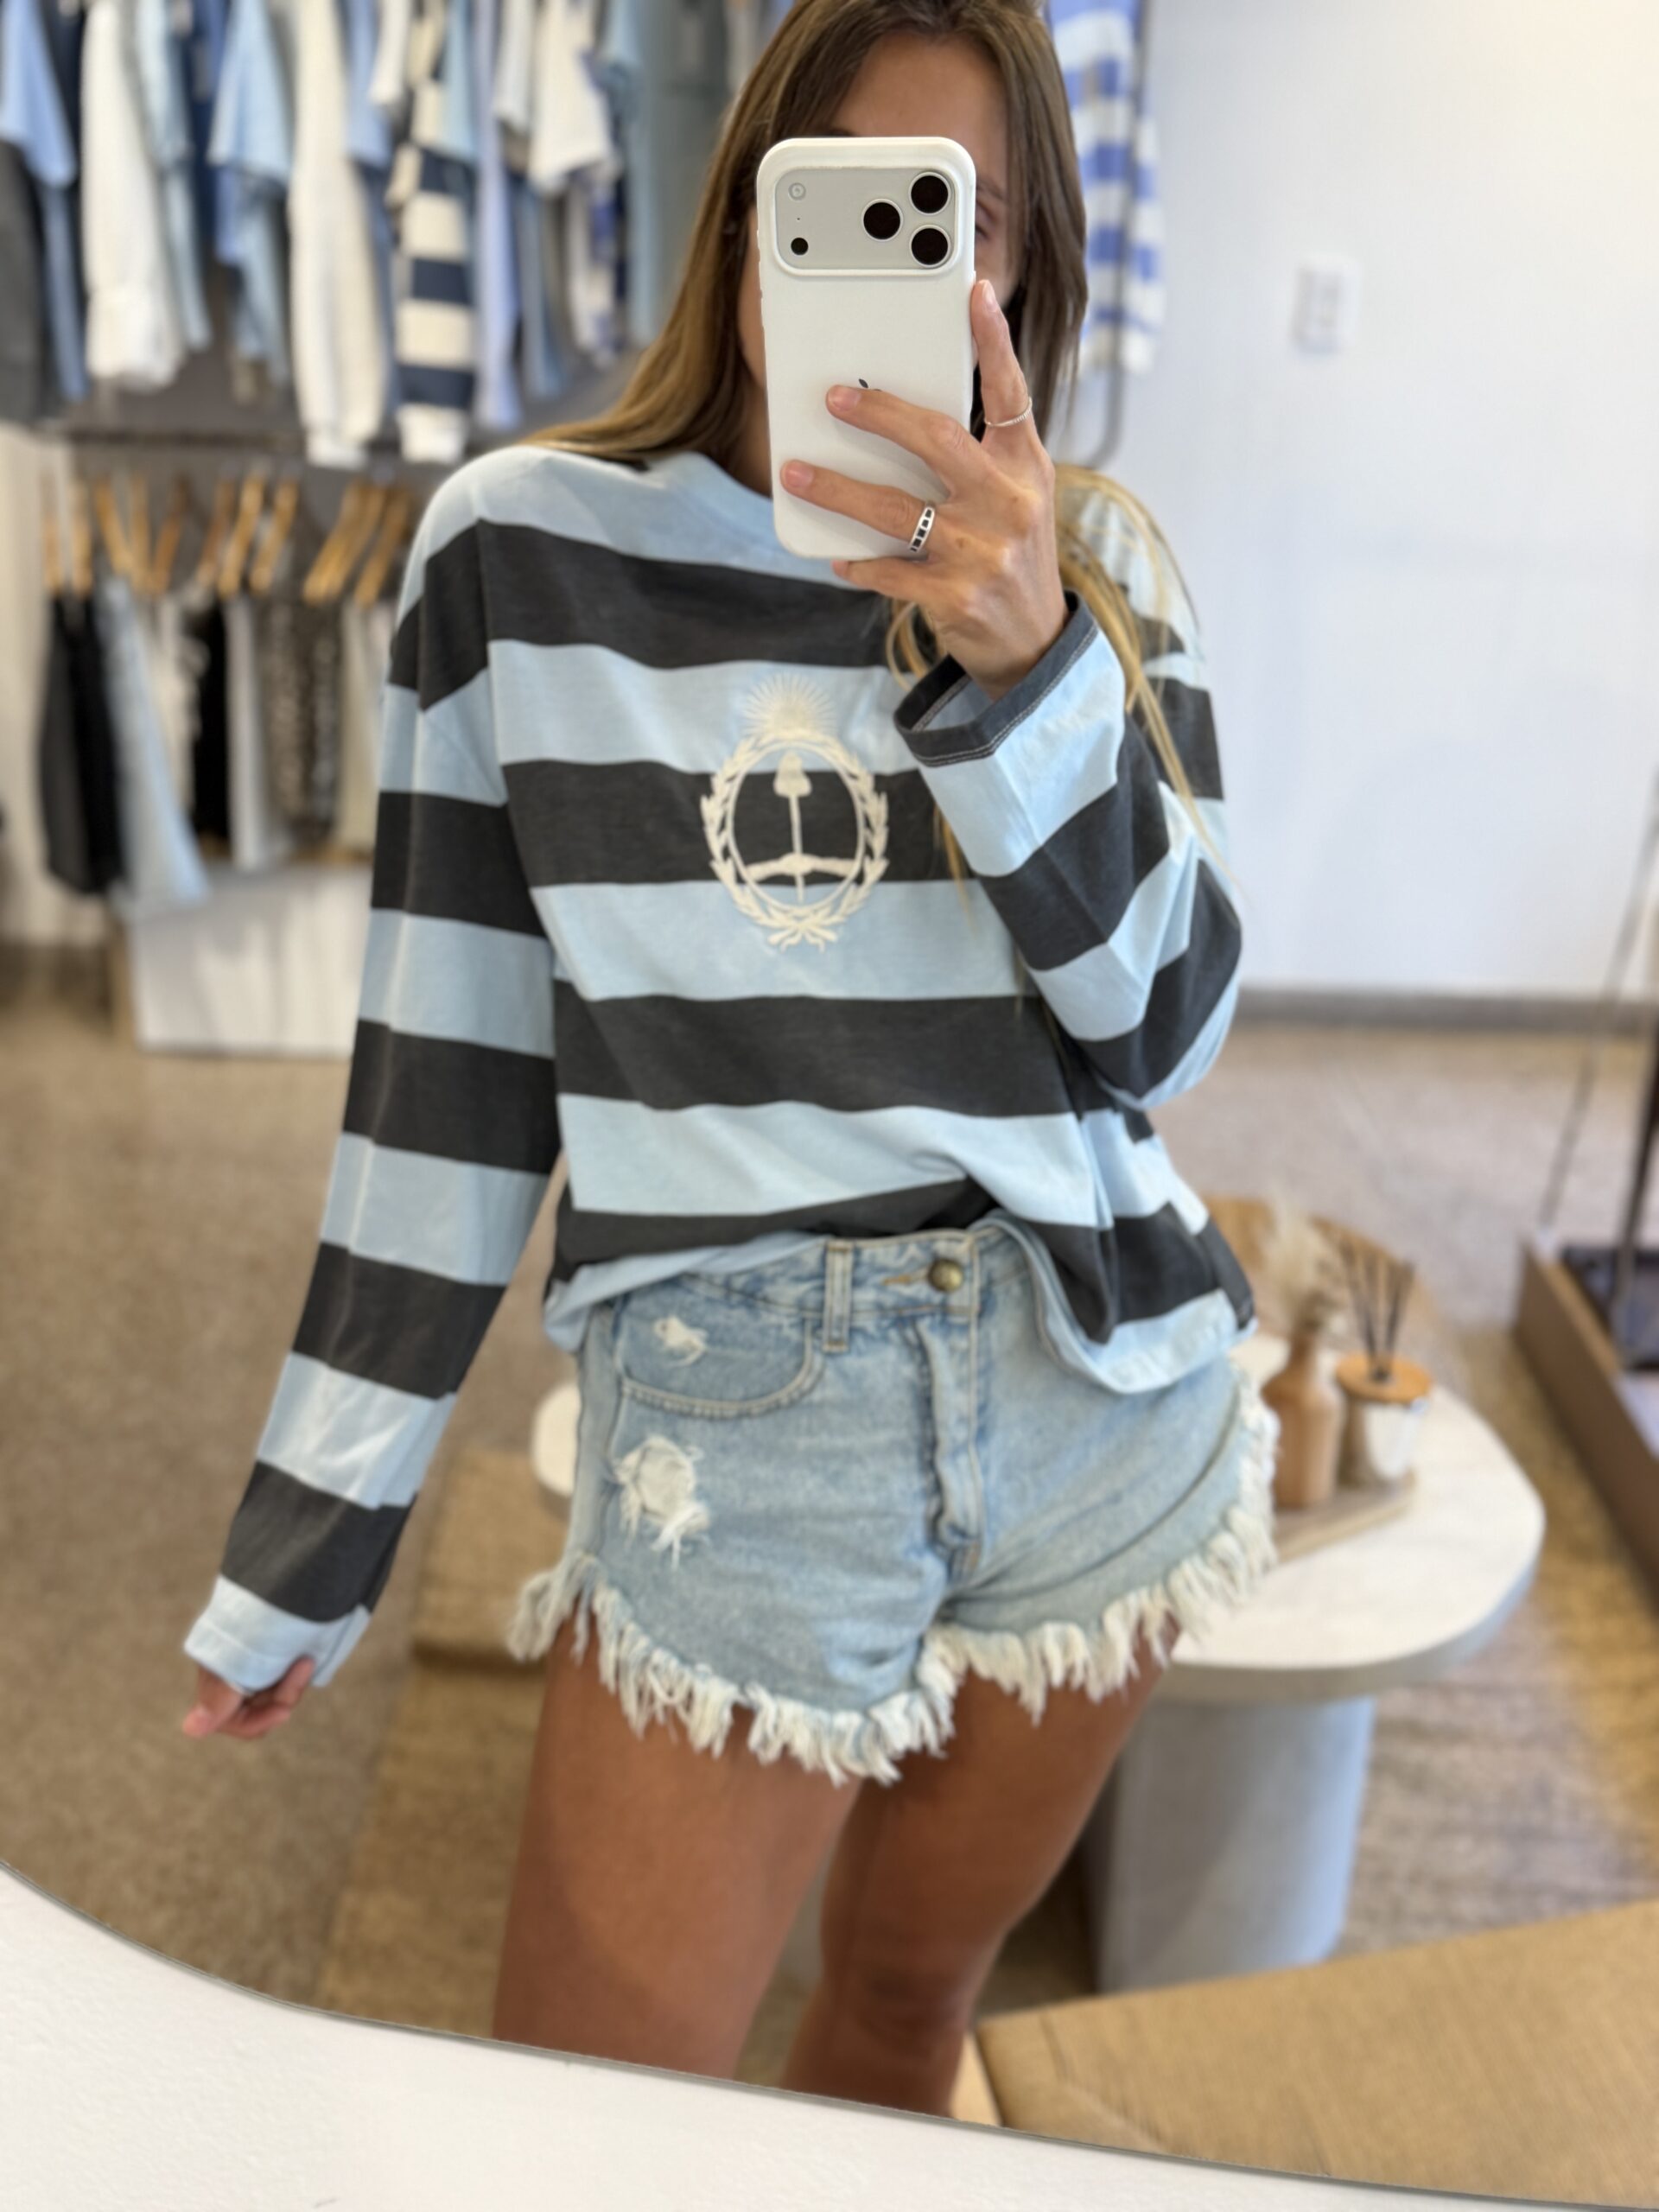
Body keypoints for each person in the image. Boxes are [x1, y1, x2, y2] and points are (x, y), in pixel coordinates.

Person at [180, 0, 1280, 2119]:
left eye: (955, 223)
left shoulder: (1097, 573)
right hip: (740, 1425)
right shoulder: (522, 555)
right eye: (832, 200)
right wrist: (320, 1525)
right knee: (591, 2126)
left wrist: (1029, 664)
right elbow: (444, 1079)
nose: (883, 269)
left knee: (907, 2012)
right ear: (740, 213)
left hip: (1101, 1393)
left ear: (1024, 273)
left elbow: (1168, 1032)